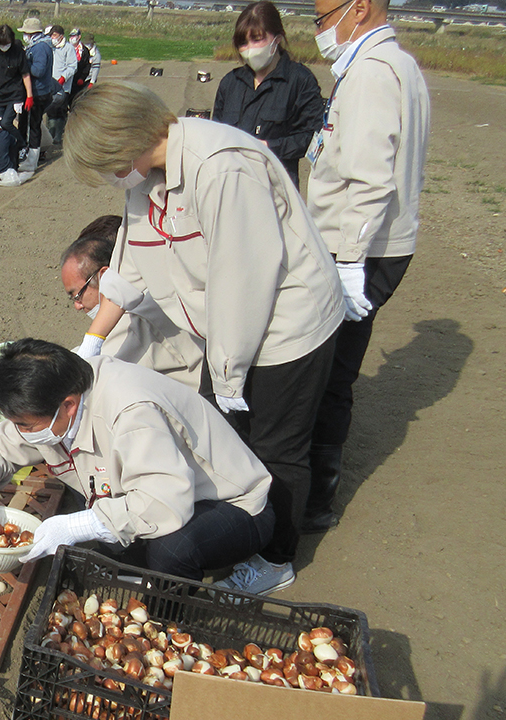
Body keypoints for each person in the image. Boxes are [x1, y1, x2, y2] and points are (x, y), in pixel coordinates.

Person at [65, 82, 345, 596]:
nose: (108, 178)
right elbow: (127, 272)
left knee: (277, 445)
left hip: (284, 323)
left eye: (104, 164)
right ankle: (230, 528)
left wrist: (230, 370)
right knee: (227, 439)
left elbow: (244, 282)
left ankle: (276, 556)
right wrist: (93, 342)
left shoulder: (221, 168)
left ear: (122, 143)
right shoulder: (143, 179)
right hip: (226, 324)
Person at [0, 339, 273, 582]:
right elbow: (2, 446)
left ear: (69, 406)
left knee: (171, 549)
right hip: (143, 492)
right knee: (96, 547)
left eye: (26, 426)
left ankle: (167, 618)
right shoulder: (57, 394)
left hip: (231, 504)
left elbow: (164, 503)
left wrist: (81, 524)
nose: (22, 433)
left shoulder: (132, 411)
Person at [303, 0, 430, 533]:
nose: (320, 30)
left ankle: (312, 499)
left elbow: (370, 178)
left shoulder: (374, 73)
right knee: (336, 370)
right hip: (373, 243)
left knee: (325, 374)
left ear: (359, 8)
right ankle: (315, 494)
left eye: (324, 17)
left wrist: (350, 262)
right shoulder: (396, 64)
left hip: (358, 247)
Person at [60, 216, 203, 388]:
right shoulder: (155, 286)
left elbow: (81, 371)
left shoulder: (133, 318)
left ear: (104, 276)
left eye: (77, 295)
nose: (77, 305)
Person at [212, 1, 326, 187]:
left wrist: (268, 147)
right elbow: (215, 134)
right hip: (232, 187)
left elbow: (312, 137)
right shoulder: (230, 83)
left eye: (257, 39)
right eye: (243, 42)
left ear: (278, 37)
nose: (250, 49)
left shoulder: (300, 81)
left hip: (277, 190)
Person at [19, 17, 54, 172]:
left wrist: (24, 65)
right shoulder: (41, 45)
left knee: (34, 126)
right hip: (40, 91)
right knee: (32, 124)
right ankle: (30, 155)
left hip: (38, 92)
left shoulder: (39, 48)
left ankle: (32, 160)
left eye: (26, 32)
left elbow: (38, 71)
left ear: (31, 33)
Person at [46, 25, 78, 144]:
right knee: (50, 110)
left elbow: (73, 66)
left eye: (54, 35)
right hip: (50, 84)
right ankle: (50, 134)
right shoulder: (50, 47)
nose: (52, 37)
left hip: (63, 86)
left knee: (60, 110)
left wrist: (63, 77)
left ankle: (58, 135)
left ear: (61, 36)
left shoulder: (68, 48)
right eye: (51, 35)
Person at [69, 29, 101, 100]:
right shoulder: (82, 50)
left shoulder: (96, 54)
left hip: (88, 79)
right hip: (79, 78)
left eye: (89, 43)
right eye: (86, 43)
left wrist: (92, 82)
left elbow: (95, 69)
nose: (87, 45)